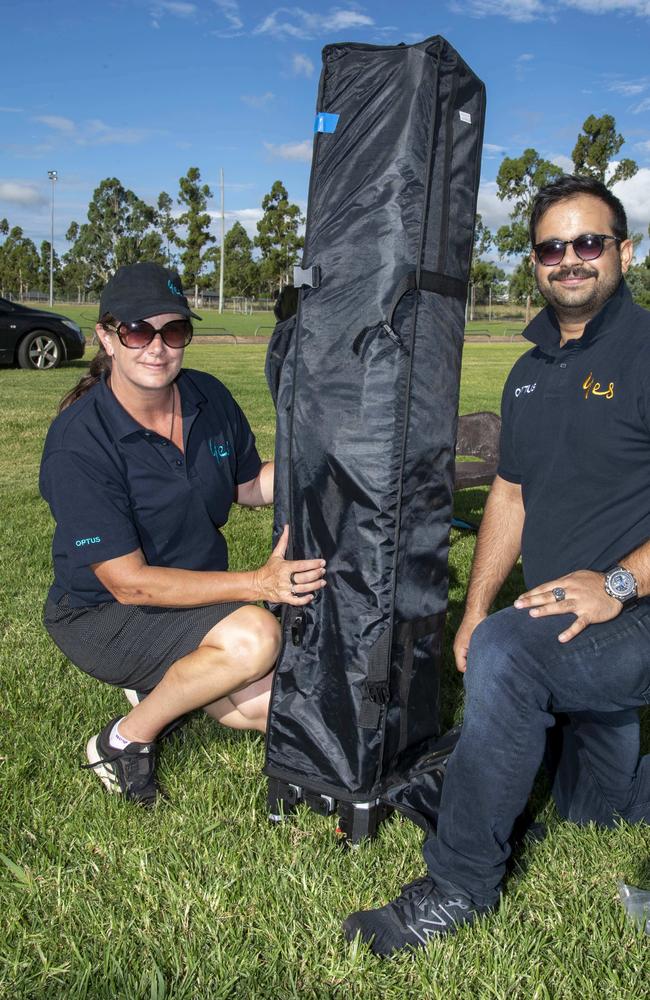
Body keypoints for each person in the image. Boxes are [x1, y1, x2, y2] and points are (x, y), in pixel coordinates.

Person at [343, 174, 650, 955]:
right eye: (554, 246)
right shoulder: (526, 373)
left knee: (512, 656)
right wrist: (476, 609)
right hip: (569, 620)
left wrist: (617, 584)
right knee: (592, 812)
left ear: (626, 251)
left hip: (634, 610)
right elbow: (510, 495)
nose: (571, 259)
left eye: (590, 242)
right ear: (536, 262)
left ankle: (457, 887)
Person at [40, 262, 326, 807]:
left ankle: (171, 679)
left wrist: (324, 469)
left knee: (279, 705)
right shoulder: (79, 441)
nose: (157, 347)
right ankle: (123, 740)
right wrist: (257, 585)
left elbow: (247, 484)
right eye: (137, 331)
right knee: (256, 640)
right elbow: (130, 585)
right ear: (107, 336)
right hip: (104, 613)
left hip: (193, 598)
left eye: (173, 331)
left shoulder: (207, 398)